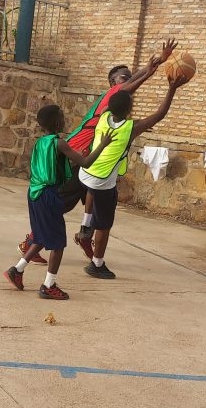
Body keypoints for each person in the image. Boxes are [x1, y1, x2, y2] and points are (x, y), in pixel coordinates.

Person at [18, 39, 178, 262]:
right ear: (113, 83)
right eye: (124, 77)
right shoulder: (110, 97)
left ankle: (85, 235)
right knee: (61, 204)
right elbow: (132, 88)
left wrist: (154, 66)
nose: (128, 79)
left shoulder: (113, 110)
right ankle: (30, 243)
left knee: (98, 200)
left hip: (89, 160)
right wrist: (153, 68)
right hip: (76, 157)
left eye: (129, 76)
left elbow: (131, 94)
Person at [79, 74, 187, 279]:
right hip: (102, 180)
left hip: (86, 173)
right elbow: (160, 114)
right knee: (104, 225)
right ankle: (96, 264)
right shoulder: (130, 128)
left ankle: (86, 224)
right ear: (129, 110)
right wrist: (172, 88)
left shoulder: (103, 115)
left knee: (94, 196)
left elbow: (118, 104)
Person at [4, 103, 112, 301]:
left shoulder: (40, 142)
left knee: (41, 236)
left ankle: (17, 270)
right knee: (58, 243)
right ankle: (48, 285)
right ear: (56, 122)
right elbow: (86, 163)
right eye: (62, 116)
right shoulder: (59, 143)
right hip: (48, 195)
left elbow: (56, 164)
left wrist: (75, 157)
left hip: (34, 193)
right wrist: (102, 145)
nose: (64, 119)